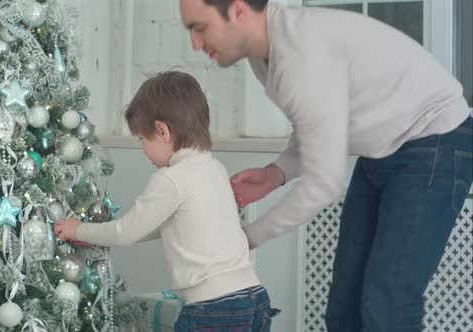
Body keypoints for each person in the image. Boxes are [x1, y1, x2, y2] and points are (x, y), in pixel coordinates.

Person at [179, 1, 473, 331]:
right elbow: (316, 126)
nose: (195, 43)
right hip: (382, 149)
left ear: (238, 10)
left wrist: (245, 238)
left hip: (434, 139)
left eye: (199, 28)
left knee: (388, 305)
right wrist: (276, 174)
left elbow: (324, 182)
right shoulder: (265, 56)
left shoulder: (301, 50)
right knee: (343, 307)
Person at [54, 71, 280, 331]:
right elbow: (167, 225)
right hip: (254, 297)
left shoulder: (170, 179)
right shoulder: (214, 168)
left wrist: (78, 229)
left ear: (162, 131)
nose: (143, 149)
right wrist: (93, 235)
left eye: (142, 139)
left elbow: (126, 231)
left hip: (213, 308)